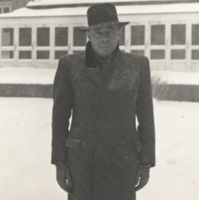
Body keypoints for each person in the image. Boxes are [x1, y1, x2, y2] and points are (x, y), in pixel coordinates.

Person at [51, 3, 155, 200]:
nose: (105, 37)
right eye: (98, 32)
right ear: (89, 35)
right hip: (82, 164)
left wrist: (145, 163)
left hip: (122, 162)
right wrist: (60, 163)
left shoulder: (137, 66)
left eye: (110, 31)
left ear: (120, 34)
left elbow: (146, 118)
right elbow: (59, 119)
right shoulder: (69, 66)